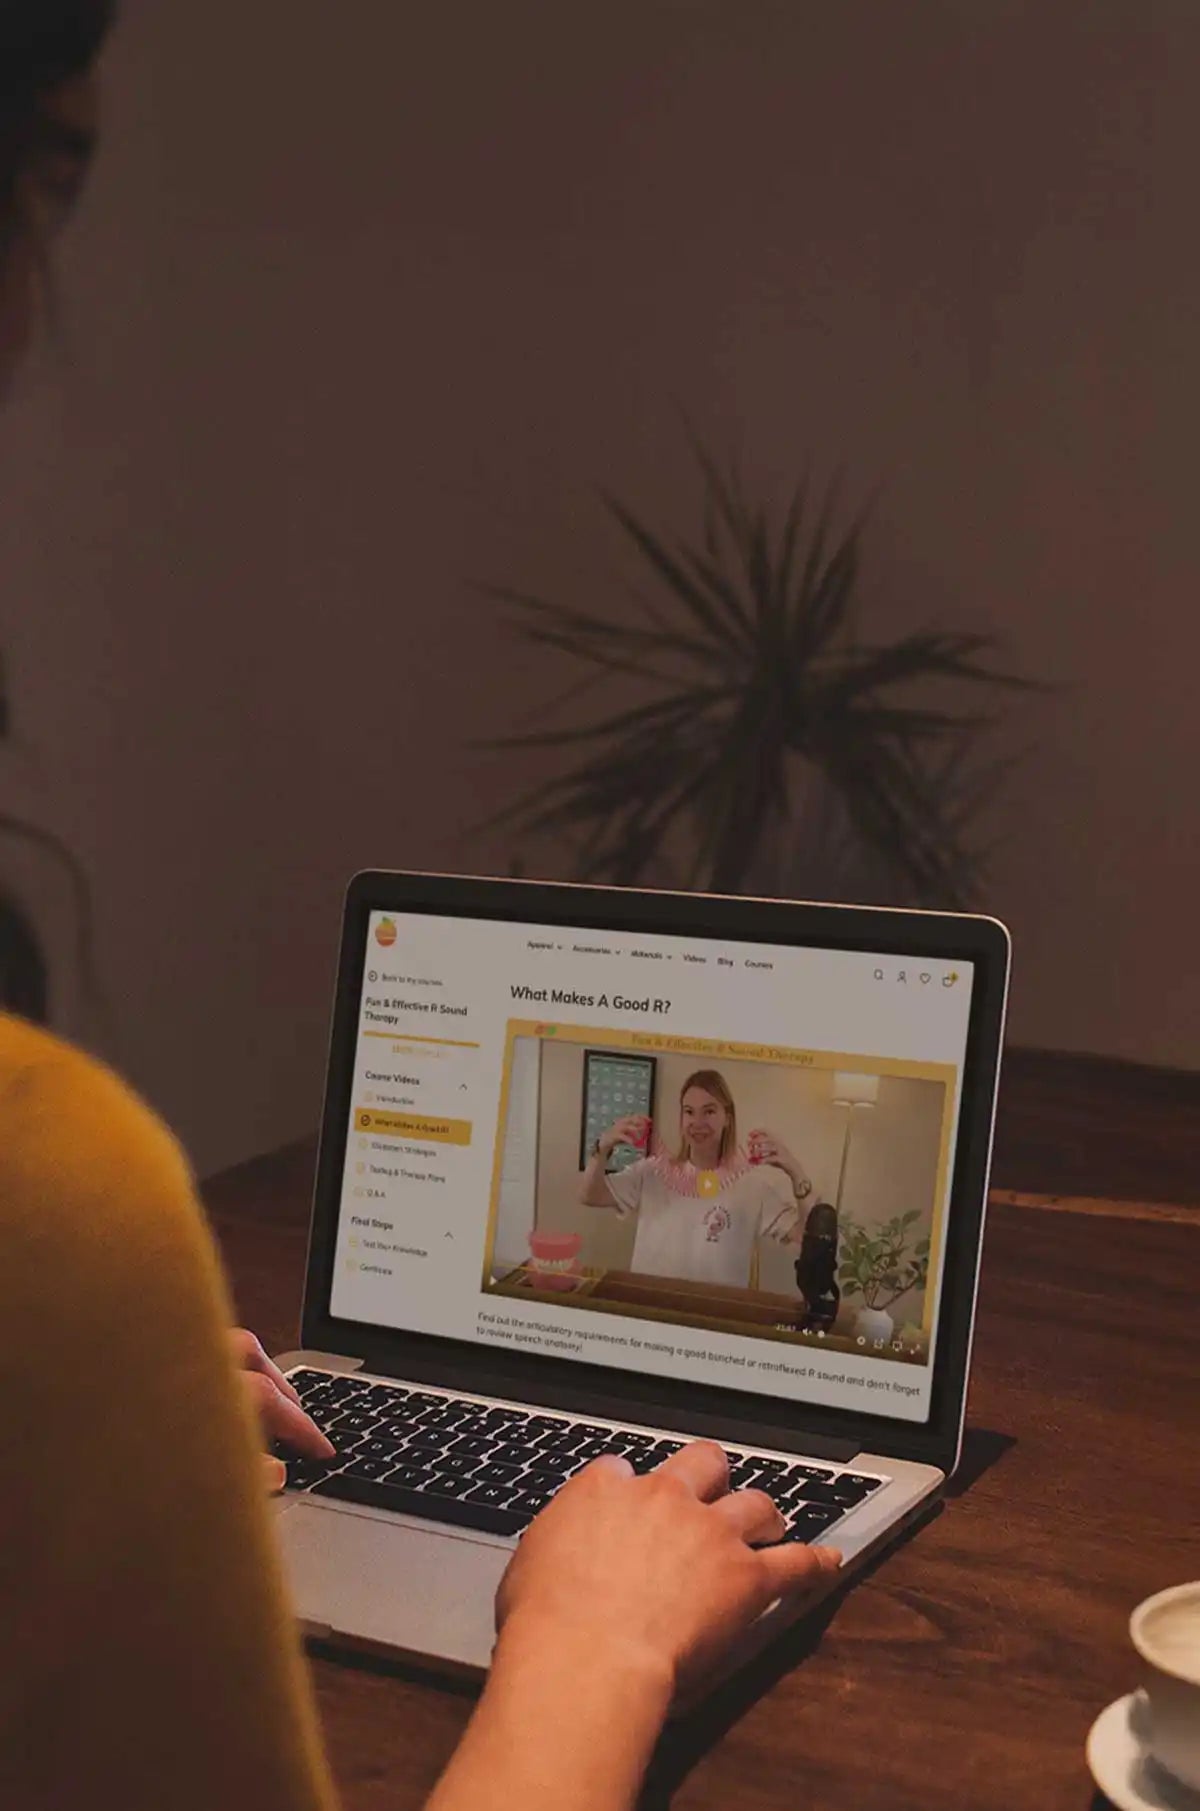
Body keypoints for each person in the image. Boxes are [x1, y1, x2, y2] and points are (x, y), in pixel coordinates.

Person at [0, 10, 841, 1809]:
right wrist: (594, 1648)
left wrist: (91, 1402)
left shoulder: (745, 1181)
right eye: (61, 173)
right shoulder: (44, 1202)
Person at [580, 1068, 816, 1288]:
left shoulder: (753, 1186)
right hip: (650, 1310)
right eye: (689, 1112)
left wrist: (795, 1171)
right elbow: (589, 1195)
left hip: (714, 1317)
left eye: (710, 1111)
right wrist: (602, 1148)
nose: (697, 1123)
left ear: (728, 1118)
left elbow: (806, 1239)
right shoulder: (651, 1171)